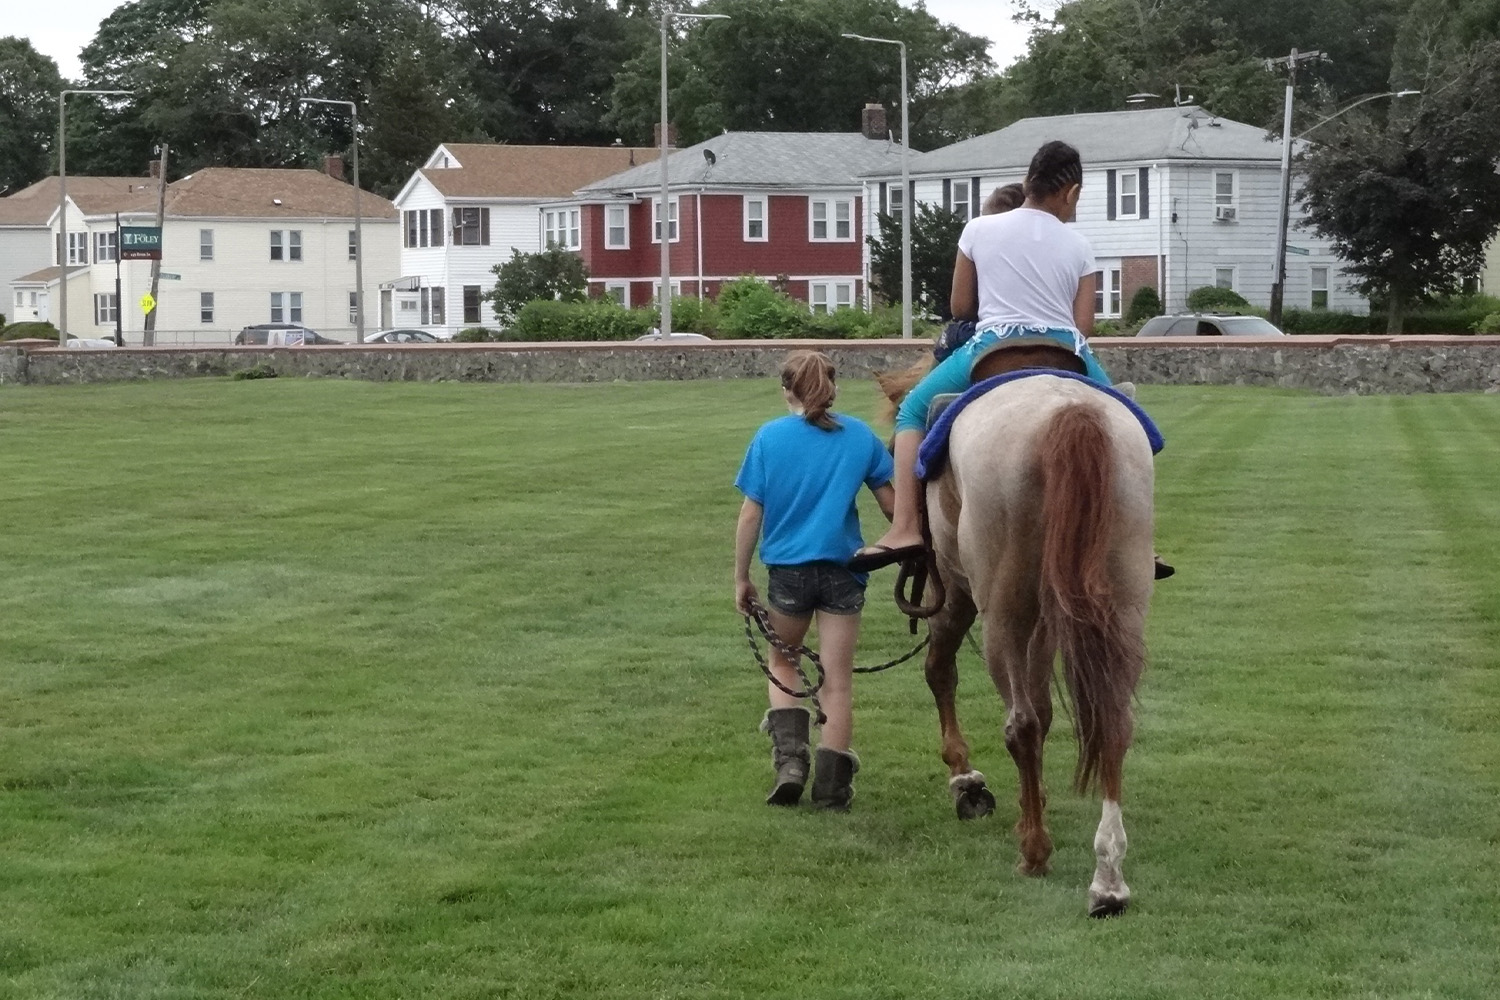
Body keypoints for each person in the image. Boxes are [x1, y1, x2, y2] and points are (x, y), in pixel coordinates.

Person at [854, 141, 1171, 577]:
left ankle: (906, 527)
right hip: (1067, 351)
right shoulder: (1079, 245)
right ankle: (1137, 542)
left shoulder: (979, 230)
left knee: (911, 411)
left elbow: (962, 307)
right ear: (1071, 192)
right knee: (1134, 425)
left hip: (991, 347)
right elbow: (1083, 327)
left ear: (1027, 184)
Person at [734, 350, 895, 811]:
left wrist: (741, 578)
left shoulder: (769, 438)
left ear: (787, 391)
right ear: (833, 387)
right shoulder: (860, 437)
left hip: (789, 573)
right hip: (845, 570)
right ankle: (832, 787)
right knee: (836, 680)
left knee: (784, 664)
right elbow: (891, 507)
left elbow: (751, 514)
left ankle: (790, 764)